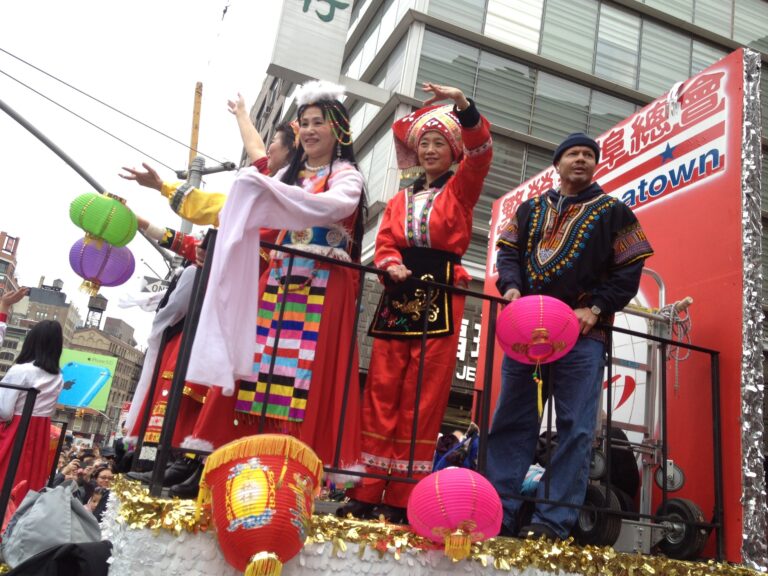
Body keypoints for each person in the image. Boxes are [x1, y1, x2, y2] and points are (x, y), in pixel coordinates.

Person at [187, 79, 366, 476]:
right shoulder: (288, 174)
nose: (309, 130)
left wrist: (273, 193)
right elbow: (258, 170)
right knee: (254, 364)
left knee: (306, 379)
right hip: (282, 278)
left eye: (318, 121)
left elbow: (329, 207)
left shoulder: (347, 177)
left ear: (338, 128)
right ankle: (220, 458)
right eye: (303, 123)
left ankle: (291, 467)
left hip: (322, 285)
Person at [486, 132, 654, 540]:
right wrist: (510, 287)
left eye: (588, 155)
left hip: (583, 336)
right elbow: (506, 252)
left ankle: (552, 521)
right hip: (528, 331)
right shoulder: (529, 210)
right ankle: (497, 513)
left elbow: (629, 270)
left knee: (576, 428)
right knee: (512, 419)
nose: (580, 160)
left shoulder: (615, 212)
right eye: (572, 154)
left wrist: (595, 309)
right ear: (557, 163)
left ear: (595, 165)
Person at [342, 83, 493, 522]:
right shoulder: (398, 199)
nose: (429, 149)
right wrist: (389, 263)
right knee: (382, 389)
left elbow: (482, 153)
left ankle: (404, 497)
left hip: (441, 291)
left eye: (438, 143)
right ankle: (368, 490)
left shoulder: (461, 190)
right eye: (423, 143)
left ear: (452, 151)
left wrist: (463, 104)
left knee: (423, 395)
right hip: (398, 291)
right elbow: (386, 241)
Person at [0, 320, 64, 503]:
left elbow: (4, 410)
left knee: (6, 477)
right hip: (39, 431)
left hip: (15, 429)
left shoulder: (21, 370)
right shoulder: (58, 376)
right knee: (28, 480)